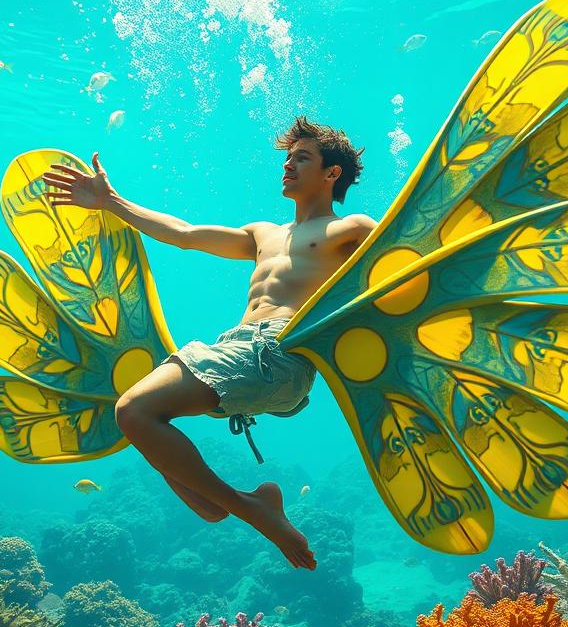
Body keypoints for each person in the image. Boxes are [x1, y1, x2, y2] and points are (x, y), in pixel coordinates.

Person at [41, 117, 375, 572]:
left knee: (133, 410)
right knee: (139, 416)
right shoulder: (264, 233)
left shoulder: (352, 227)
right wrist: (110, 202)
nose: (287, 166)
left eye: (302, 158)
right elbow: (183, 234)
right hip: (237, 353)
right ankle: (229, 502)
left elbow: (403, 268)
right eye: (286, 158)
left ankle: (252, 509)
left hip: (278, 352)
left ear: (332, 173)